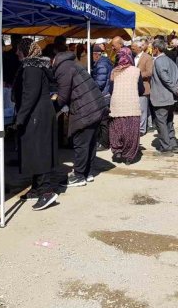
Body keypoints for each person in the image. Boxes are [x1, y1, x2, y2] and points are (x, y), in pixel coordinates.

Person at [12, 38, 59, 210]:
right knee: (35, 151)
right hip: (39, 114)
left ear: (25, 50)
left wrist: (20, 119)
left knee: (39, 152)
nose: (16, 52)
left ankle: (46, 191)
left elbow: (29, 96)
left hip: (36, 115)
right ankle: (37, 188)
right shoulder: (35, 66)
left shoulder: (31, 68)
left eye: (18, 49)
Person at [53, 49, 109, 187]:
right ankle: (87, 172)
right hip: (96, 107)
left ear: (53, 59)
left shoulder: (63, 68)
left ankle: (79, 175)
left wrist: (53, 108)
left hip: (86, 109)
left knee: (81, 143)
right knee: (89, 142)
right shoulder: (73, 64)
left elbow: (63, 96)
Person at [108, 48, 144, 165]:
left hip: (117, 104)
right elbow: (141, 89)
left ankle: (117, 150)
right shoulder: (136, 71)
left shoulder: (114, 71)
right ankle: (129, 156)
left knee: (117, 128)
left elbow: (111, 89)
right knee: (131, 131)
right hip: (131, 104)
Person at [149, 39, 178, 155]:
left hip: (162, 97)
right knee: (169, 122)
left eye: (152, 48)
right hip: (170, 98)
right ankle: (173, 145)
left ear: (156, 49)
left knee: (161, 123)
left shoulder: (159, 61)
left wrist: (175, 89)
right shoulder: (170, 60)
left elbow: (165, 78)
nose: (151, 50)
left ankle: (166, 148)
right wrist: (177, 89)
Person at [90, 43, 113, 151]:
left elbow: (100, 82)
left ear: (96, 54)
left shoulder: (101, 65)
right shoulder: (104, 62)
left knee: (103, 121)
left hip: (103, 95)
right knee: (104, 120)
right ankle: (104, 141)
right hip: (106, 94)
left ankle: (104, 143)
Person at [132, 38, 153, 136]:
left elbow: (149, 72)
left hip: (144, 87)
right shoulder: (132, 57)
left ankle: (142, 129)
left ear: (139, 48)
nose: (132, 49)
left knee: (143, 109)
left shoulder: (147, 57)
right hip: (133, 87)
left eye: (134, 48)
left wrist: (137, 74)